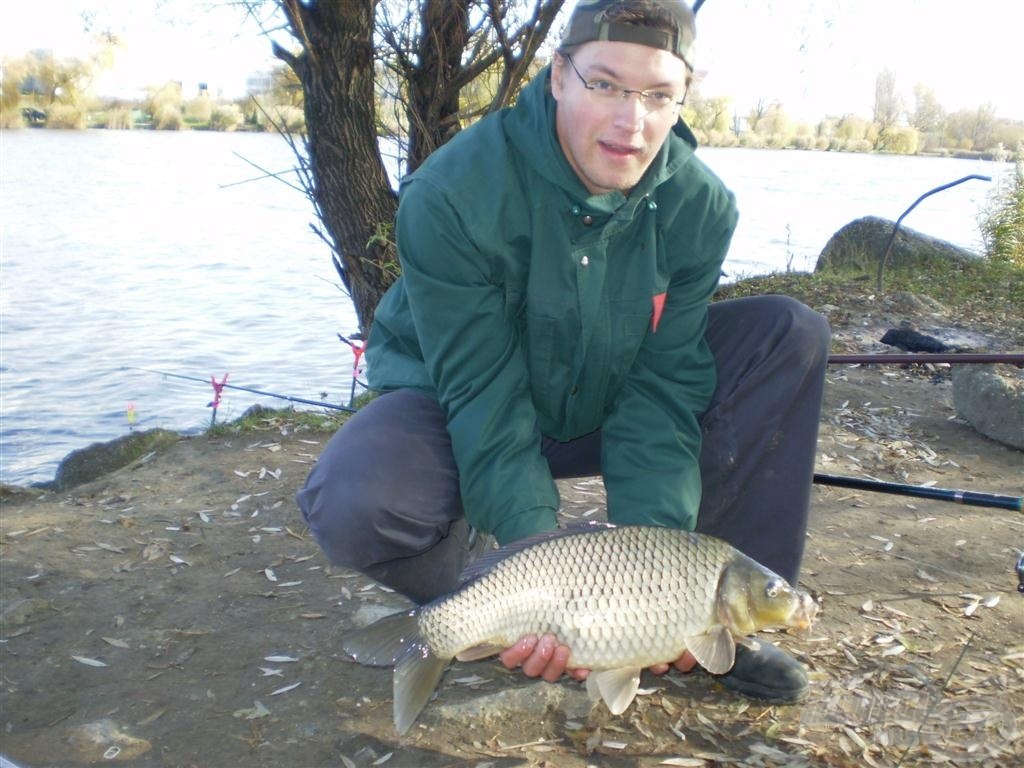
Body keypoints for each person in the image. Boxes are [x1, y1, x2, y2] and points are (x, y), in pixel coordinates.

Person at [297, 0, 829, 702]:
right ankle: (489, 599)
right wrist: (536, 558)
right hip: (464, 408)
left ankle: (718, 625)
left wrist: (650, 589)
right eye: (604, 83)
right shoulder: (452, 194)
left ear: (682, 100)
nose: (629, 123)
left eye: (658, 95)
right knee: (356, 494)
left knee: (788, 334)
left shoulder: (700, 207)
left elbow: (663, 393)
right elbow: (482, 395)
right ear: (557, 77)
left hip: (605, 398)